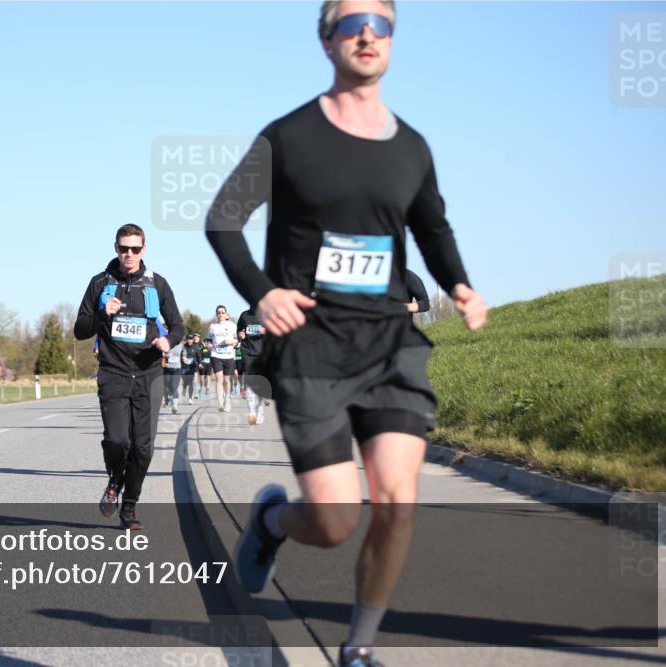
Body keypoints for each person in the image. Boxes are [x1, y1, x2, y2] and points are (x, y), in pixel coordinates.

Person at [205, 3, 487, 665]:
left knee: (397, 500)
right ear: (326, 40)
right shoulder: (287, 136)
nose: (367, 33)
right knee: (334, 520)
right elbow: (223, 218)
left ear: (392, 40)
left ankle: (357, 649)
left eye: (381, 23)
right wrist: (263, 292)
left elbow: (433, 229)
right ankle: (273, 520)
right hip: (311, 348)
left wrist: (460, 284)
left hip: (389, 345)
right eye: (352, 21)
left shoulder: (412, 147)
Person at [74, 224, 185, 530]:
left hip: (149, 373)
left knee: (143, 448)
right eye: (124, 248)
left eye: (135, 249)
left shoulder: (157, 284)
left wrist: (168, 341)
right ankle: (115, 480)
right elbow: (80, 329)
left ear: (143, 249)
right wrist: (101, 315)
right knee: (117, 440)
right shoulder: (100, 283)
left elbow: (178, 326)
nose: (129, 254)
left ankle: (130, 506)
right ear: (116, 248)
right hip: (113, 372)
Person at [236, 307, 267, 425]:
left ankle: (260, 410)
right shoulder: (244, 315)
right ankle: (252, 412)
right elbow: (238, 333)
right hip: (247, 351)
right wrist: (240, 335)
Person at [207, 305, 239, 412]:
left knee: (226, 380)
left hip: (228, 355)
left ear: (226, 314)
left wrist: (231, 342)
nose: (220, 314)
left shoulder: (232, 325)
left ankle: (227, 399)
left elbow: (237, 340)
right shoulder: (212, 326)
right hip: (216, 355)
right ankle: (220, 402)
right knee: (219, 379)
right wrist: (209, 345)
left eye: (222, 313)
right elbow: (208, 339)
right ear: (216, 315)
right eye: (218, 313)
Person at [181, 333, 198, 403]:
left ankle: (190, 398)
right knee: (185, 381)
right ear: (186, 340)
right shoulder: (183, 347)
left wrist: (199, 363)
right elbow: (179, 355)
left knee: (191, 382)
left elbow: (199, 356)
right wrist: (182, 358)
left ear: (193, 340)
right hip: (184, 366)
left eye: (191, 339)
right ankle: (184, 388)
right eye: (188, 339)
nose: (189, 341)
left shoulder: (195, 347)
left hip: (192, 366)